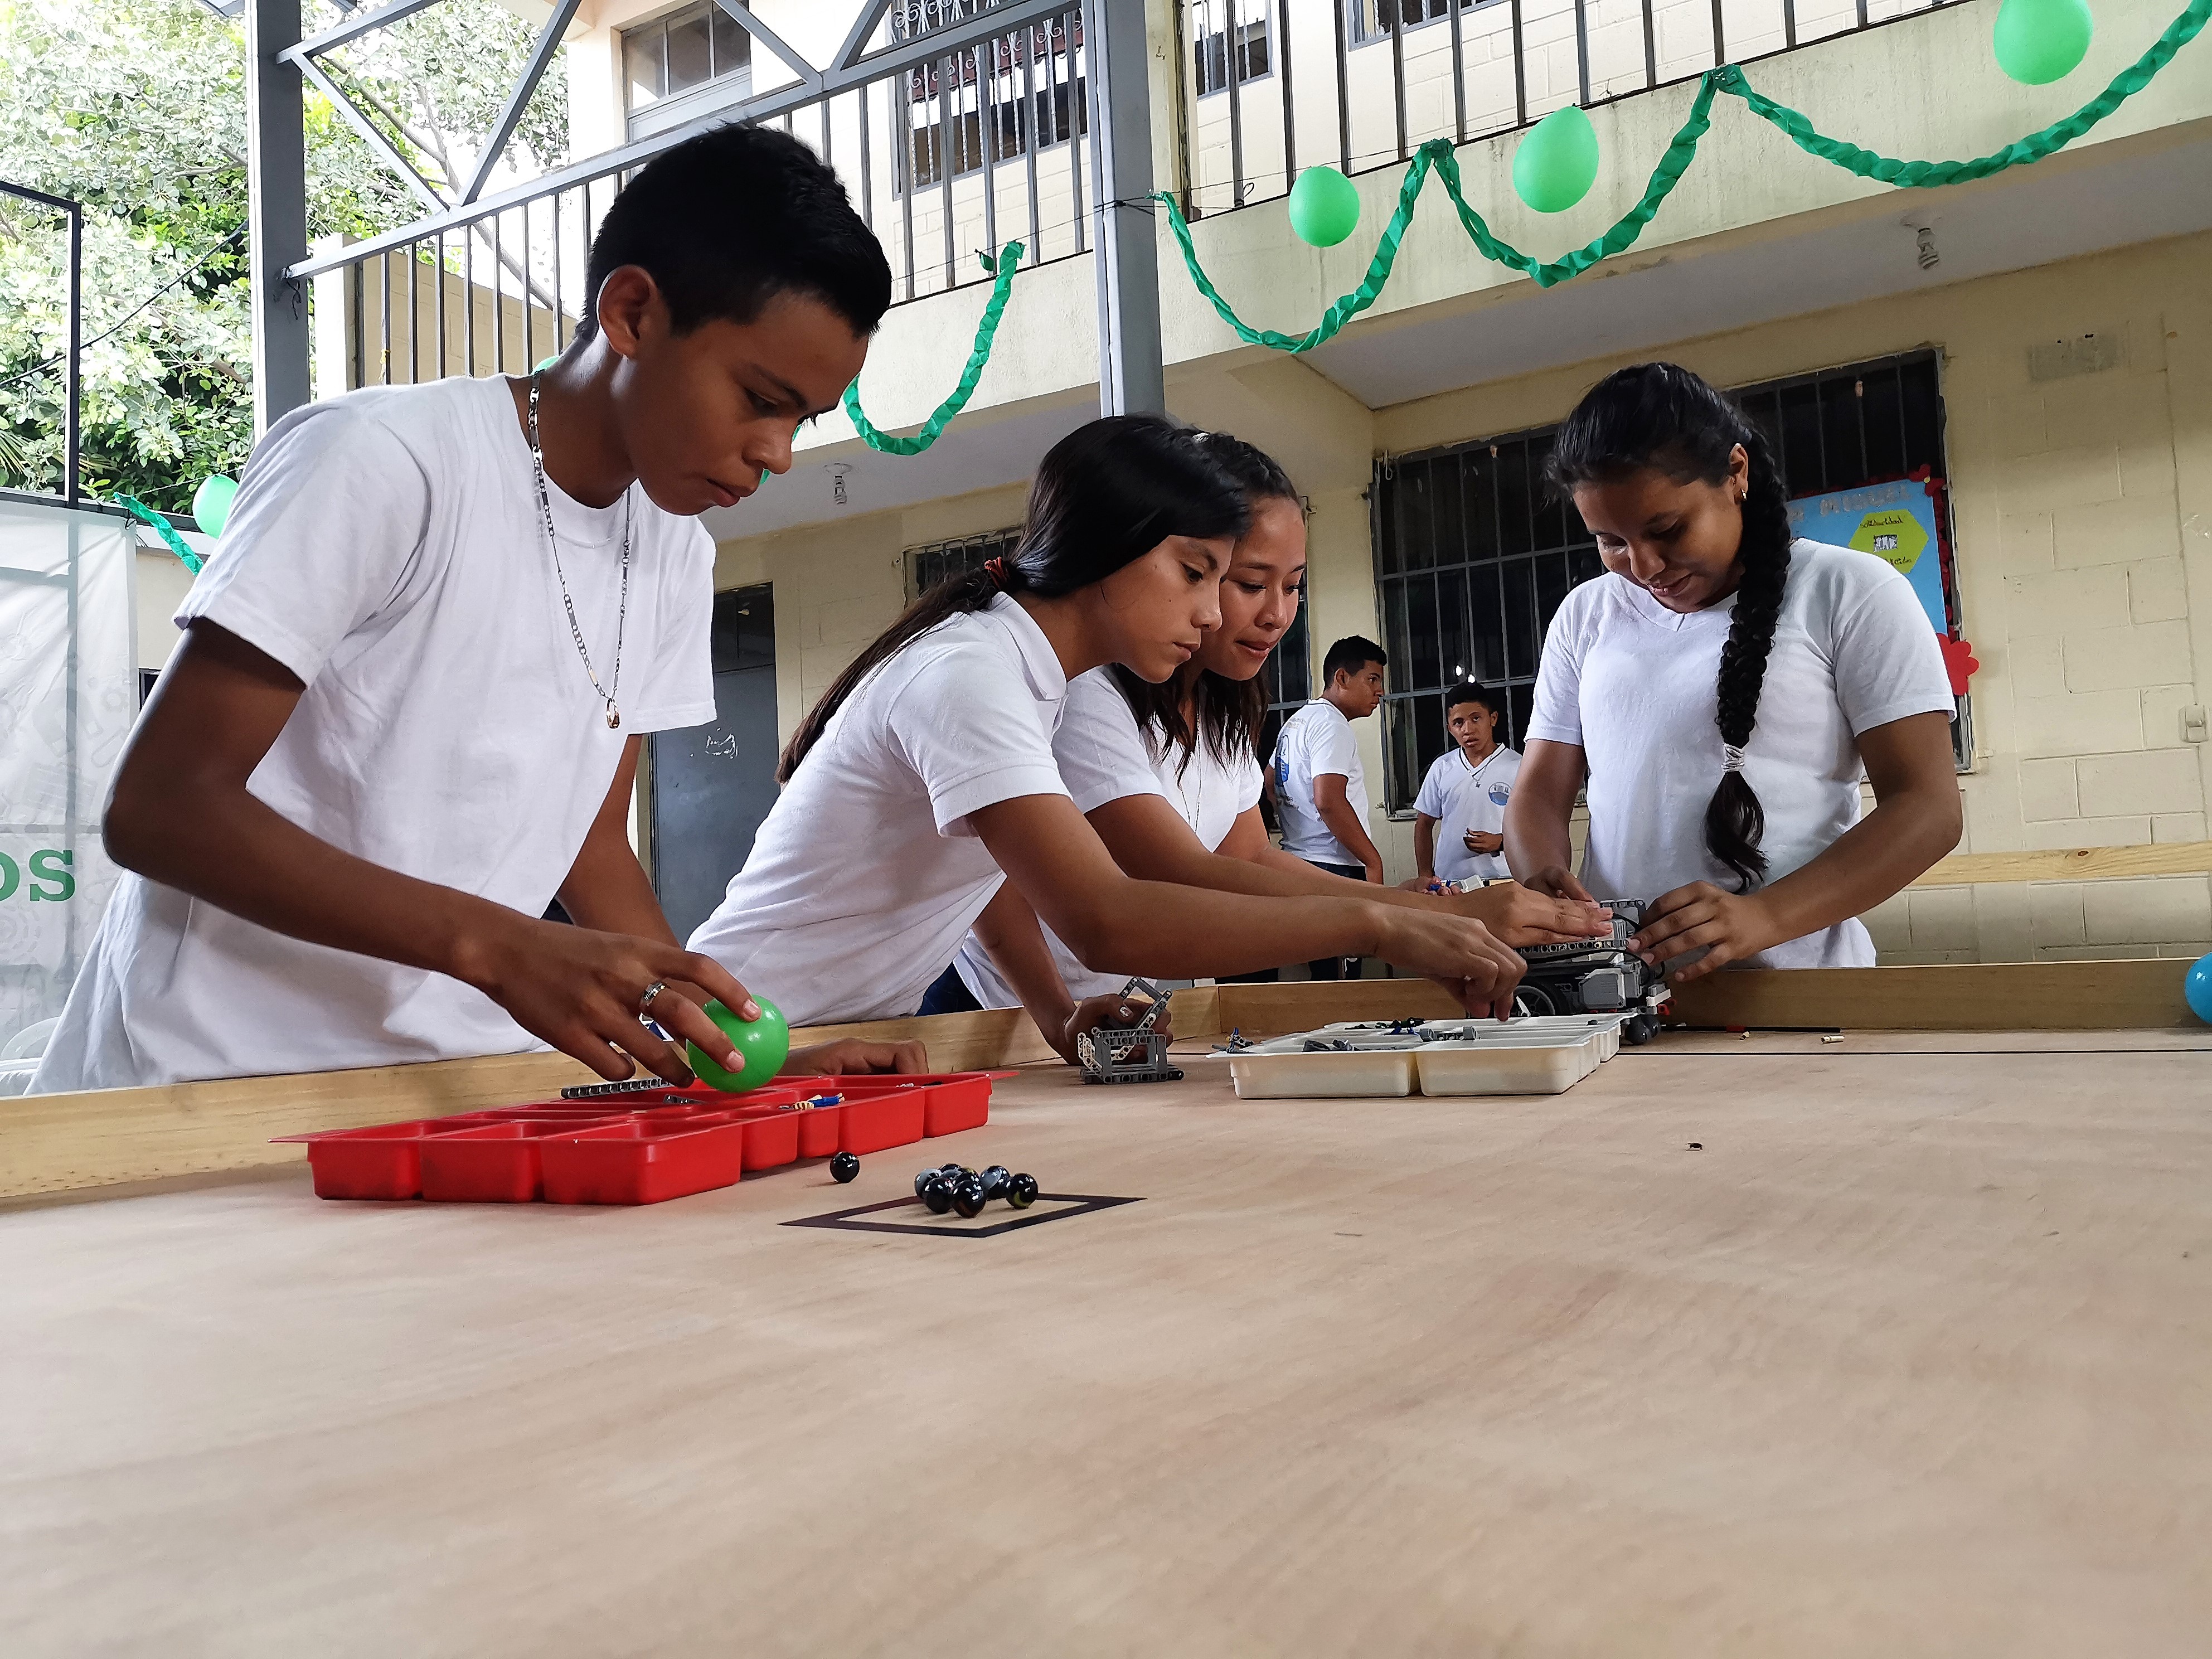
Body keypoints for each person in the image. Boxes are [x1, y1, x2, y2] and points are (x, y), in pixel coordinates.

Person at [32, 125, 923, 1095]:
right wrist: (499, 946)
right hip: (201, 1092)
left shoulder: (674, 550)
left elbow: (588, 846)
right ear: (630, 313)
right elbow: (161, 808)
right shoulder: (384, 462)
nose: (777, 452)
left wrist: (729, 1052)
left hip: (448, 1094)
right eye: (759, 398)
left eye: (801, 420)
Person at [687, 416, 1531, 1046]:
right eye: (1198, 574)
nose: (1211, 613)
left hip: (825, 1040)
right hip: (742, 1033)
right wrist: (1379, 923)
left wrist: (1057, 1014)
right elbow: (1106, 917)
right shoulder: (974, 673)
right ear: (1103, 549)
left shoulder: (1029, 678)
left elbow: (988, 883)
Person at [934, 439, 1607, 1055]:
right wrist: (1409, 917)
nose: (1277, 614)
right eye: (1247, 584)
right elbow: (1173, 874)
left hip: (1098, 1011)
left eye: (1292, 587)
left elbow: (1249, 856)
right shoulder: (1074, 692)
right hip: (993, 1013)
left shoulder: (1223, 703)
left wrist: (1420, 915)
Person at [1505, 362, 1962, 979]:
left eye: (1665, 529)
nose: (1642, 566)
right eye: (1609, 540)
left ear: (1735, 474)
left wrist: (1763, 918)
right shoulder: (1587, 614)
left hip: (1798, 994)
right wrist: (1540, 878)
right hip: (1616, 993)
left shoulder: (1848, 590)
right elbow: (1537, 791)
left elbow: (1927, 809)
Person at [1272, 636, 1388, 979]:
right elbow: (1329, 799)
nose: (1380, 691)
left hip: (1298, 861)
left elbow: (1268, 780)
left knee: (1319, 979)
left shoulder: (1296, 722)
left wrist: (1296, 822)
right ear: (1341, 678)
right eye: (1372, 679)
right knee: (1341, 985)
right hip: (1333, 866)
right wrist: (1372, 860)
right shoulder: (1332, 724)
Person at [1411, 682, 1519, 890]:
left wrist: (1501, 842)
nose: (1468, 730)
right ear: (1450, 728)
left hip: (1504, 880)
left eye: (1476, 719)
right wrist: (1425, 874)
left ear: (1493, 719)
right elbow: (1424, 824)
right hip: (1450, 884)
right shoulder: (1442, 768)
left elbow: (1534, 829)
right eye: (1459, 723)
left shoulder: (1518, 767)